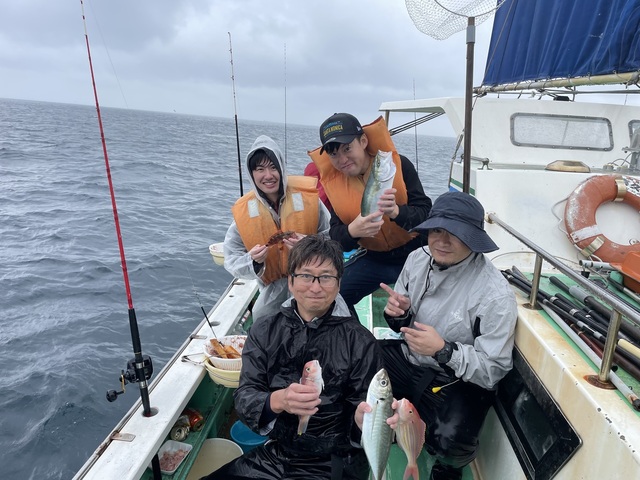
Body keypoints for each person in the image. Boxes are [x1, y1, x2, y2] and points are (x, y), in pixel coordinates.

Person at [201, 235, 385, 480]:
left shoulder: (361, 341)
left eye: (326, 277)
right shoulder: (264, 330)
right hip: (278, 453)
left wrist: (363, 422)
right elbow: (246, 394)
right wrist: (276, 401)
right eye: (306, 276)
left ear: (339, 283)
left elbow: (365, 407)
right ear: (290, 281)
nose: (315, 287)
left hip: (337, 460)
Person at [379, 191, 518, 480]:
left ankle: (447, 467)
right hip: (409, 359)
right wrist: (398, 315)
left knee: (449, 440)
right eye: (437, 231)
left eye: (455, 234)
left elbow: (493, 369)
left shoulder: (495, 295)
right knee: (357, 360)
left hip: (455, 379)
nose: (442, 241)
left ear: (473, 239)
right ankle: (371, 435)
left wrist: (444, 350)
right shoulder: (417, 259)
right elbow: (400, 324)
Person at [308, 112, 432, 310]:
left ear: (363, 141)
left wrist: (397, 213)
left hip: (415, 254)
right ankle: (354, 331)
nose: (342, 159)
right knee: (330, 298)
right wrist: (352, 231)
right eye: (334, 154)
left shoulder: (398, 166)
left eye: (347, 148)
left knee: (426, 308)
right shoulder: (334, 185)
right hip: (374, 258)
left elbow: (427, 215)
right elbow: (336, 236)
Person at [223, 135, 331, 322]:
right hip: (271, 291)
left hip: (313, 284)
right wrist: (253, 261)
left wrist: (309, 246)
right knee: (263, 327)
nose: (268, 175)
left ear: (281, 168)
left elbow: (333, 241)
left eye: (273, 167)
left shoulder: (309, 199)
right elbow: (231, 259)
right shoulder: (243, 211)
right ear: (251, 174)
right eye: (260, 169)